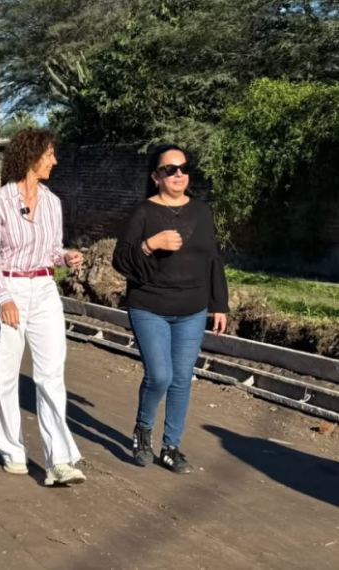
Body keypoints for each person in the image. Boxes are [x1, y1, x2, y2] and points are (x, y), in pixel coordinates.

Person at [112, 144, 229, 474]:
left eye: (184, 168)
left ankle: (171, 448)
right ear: (156, 177)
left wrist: (219, 304)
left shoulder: (202, 212)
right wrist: (150, 245)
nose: (179, 174)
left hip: (192, 308)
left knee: (181, 380)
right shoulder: (144, 212)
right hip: (150, 305)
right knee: (160, 375)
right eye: (170, 169)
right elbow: (120, 259)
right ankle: (143, 429)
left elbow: (213, 259)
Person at [0, 129, 86, 486]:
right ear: (32, 155)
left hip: (43, 289)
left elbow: (52, 249)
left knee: (51, 373)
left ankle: (60, 460)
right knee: (3, 375)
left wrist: (66, 256)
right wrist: (4, 297)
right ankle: (12, 449)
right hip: (8, 287)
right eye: (51, 154)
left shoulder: (53, 202)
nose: (55, 161)